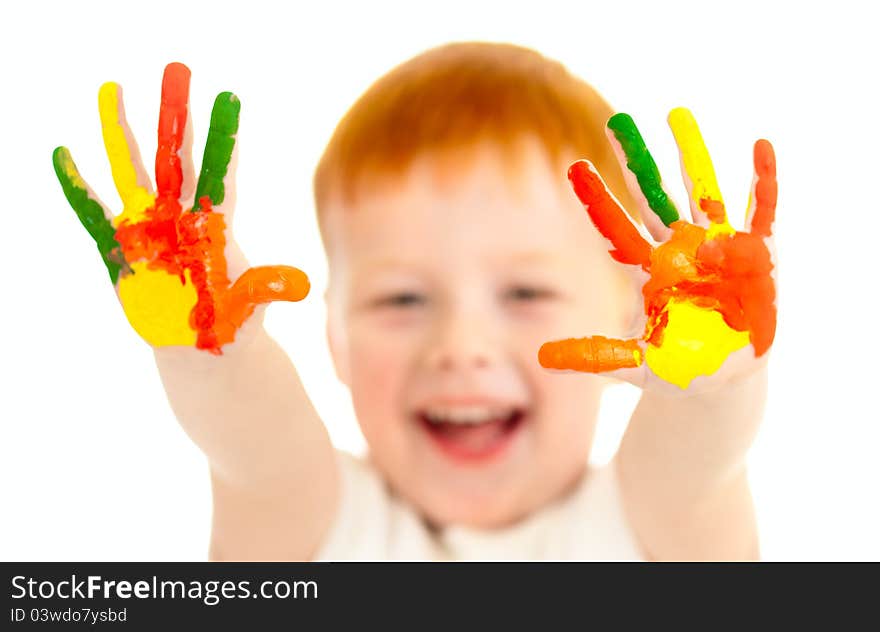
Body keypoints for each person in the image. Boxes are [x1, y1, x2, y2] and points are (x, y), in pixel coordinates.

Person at [53, 42, 776, 560]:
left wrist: (709, 388)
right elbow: (256, 448)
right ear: (334, 334)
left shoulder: (648, 530)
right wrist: (211, 352)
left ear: (632, 315)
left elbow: (696, 465)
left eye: (525, 291)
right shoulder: (312, 526)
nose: (460, 345)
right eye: (401, 298)